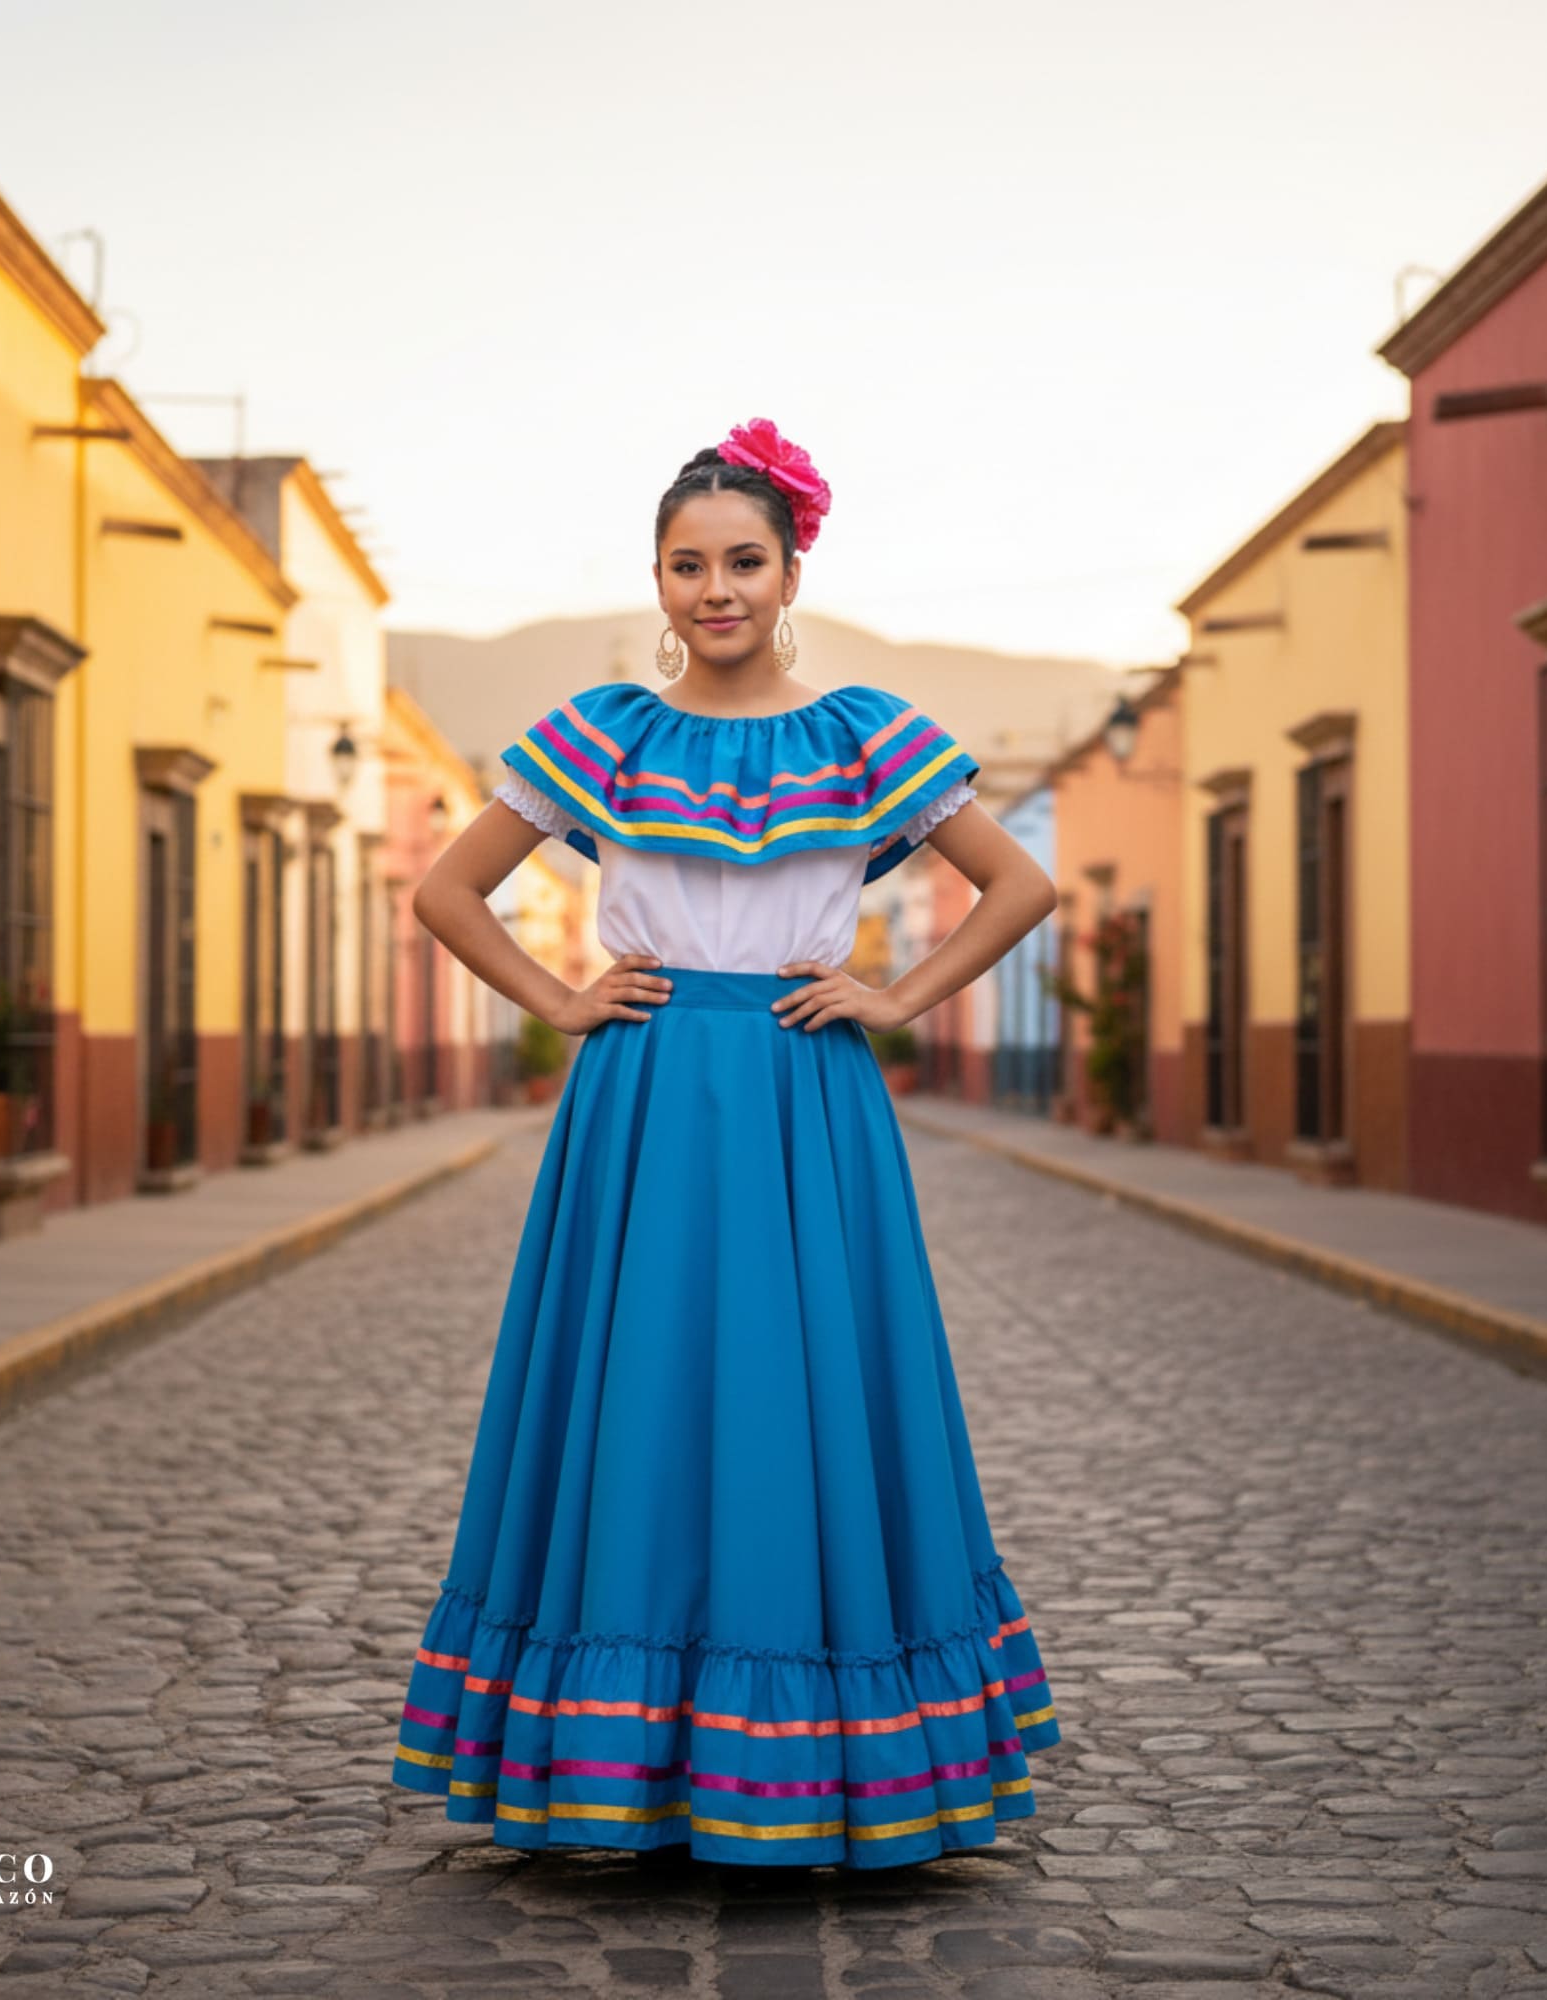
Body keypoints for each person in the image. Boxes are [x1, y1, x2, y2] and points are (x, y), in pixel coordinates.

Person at [390, 417, 1063, 1870]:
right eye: (688, 563)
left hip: (803, 1090)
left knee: (797, 1390)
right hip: (637, 1104)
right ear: (656, 576)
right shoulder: (601, 736)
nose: (717, 589)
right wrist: (562, 1001)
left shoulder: (867, 736)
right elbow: (448, 894)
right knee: (638, 1395)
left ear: (792, 565)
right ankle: (624, 1760)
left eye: (743, 560)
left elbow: (1018, 886)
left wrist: (897, 996)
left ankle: (808, 1758)